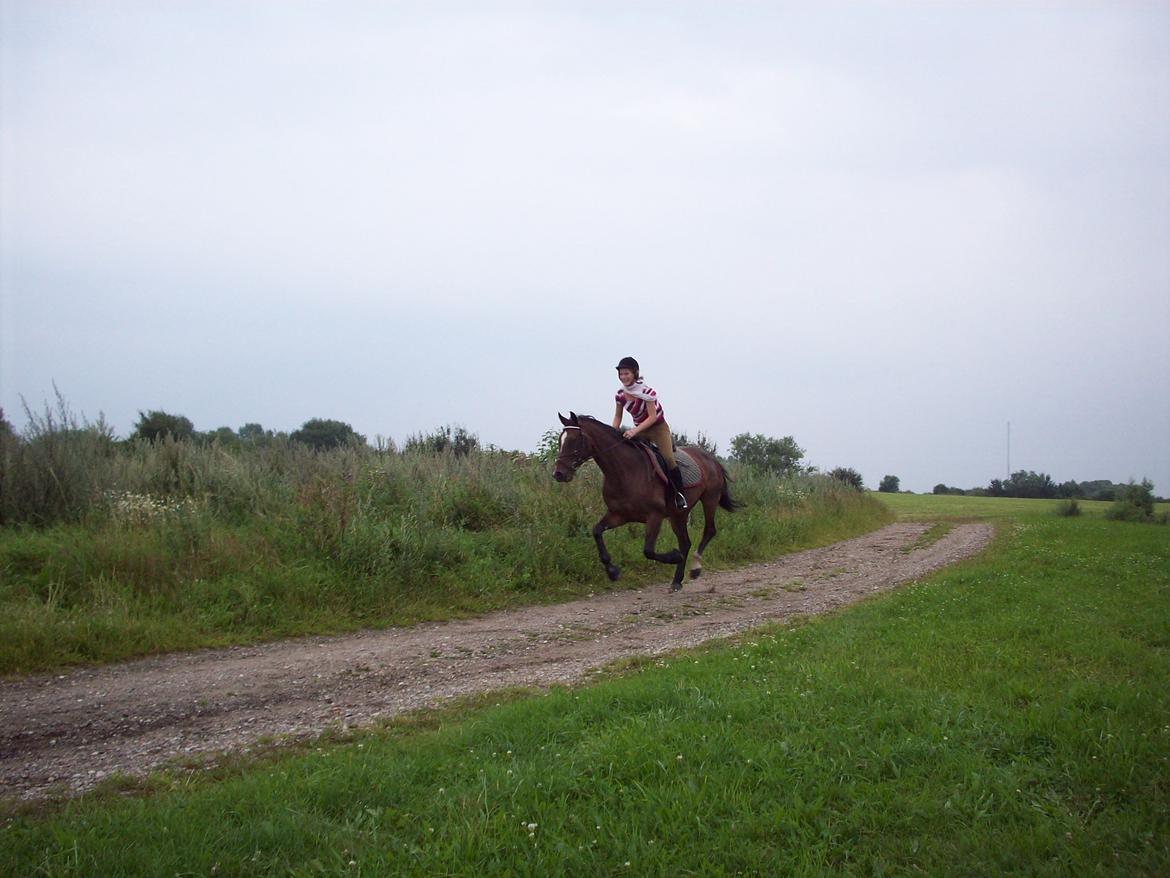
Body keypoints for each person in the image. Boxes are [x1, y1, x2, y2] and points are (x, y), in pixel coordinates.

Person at [613, 356, 688, 509]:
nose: (623, 377)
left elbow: (652, 417)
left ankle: (679, 495)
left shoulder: (647, 392)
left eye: (626, 373)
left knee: (667, 458)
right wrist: (613, 433)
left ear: (634, 373)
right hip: (640, 429)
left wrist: (634, 431)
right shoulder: (620, 394)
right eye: (621, 374)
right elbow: (618, 416)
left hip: (657, 428)